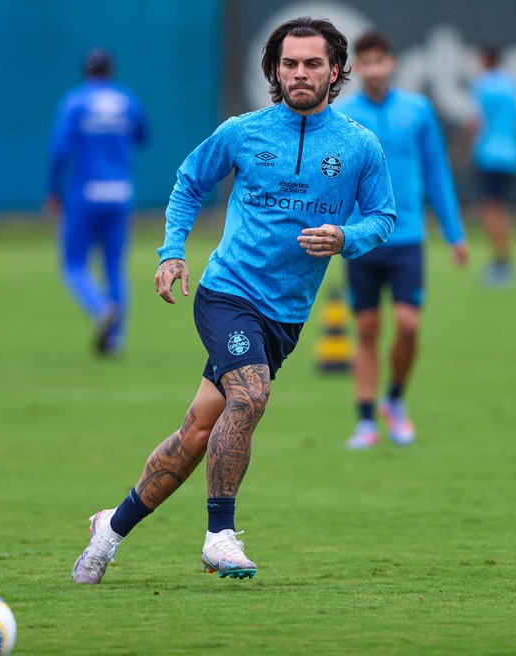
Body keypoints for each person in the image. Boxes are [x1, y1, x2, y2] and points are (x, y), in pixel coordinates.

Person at [71, 16, 396, 584]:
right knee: (250, 396)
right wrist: (172, 251)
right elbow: (191, 182)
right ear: (274, 70)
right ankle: (220, 535)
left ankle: (111, 526)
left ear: (334, 71)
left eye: (312, 63)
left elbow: (383, 217)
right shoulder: (243, 132)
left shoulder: (359, 146)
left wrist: (347, 237)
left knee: (199, 431)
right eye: (289, 64)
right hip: (227, 293)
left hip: (286, 315)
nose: (299, 73)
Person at [335, 31, 467, 449]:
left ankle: (394, 399)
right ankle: (365, 419)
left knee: (409, 326)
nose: (374, 69)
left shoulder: (418, 111)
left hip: (407, 235)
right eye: (366, 62)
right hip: (360, 238)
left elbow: (437, 172)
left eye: (380, 60)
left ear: (391, 64)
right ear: (358, 68)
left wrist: (454, 232)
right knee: (368, 329)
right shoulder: (343, 115)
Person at [44, 49, 147, 356]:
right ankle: (115, 340)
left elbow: (60, 150)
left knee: (74, 264)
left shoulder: (75, 102)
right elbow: (142, 136)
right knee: (114, 267)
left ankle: (101, 307)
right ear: (112, 70)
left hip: (86, 192)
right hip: (120, 192)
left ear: (86, 71)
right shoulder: (128, 101)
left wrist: (53, 190)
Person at [458, 45, 516, 287]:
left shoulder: (484, 85)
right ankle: (502, 262)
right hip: (513, 154)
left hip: (490, 153)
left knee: (491, 210)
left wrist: (462, 150)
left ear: (485, 61)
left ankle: (502, 265)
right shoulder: (513, 85)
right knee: (499, 208)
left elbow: (475, 121)